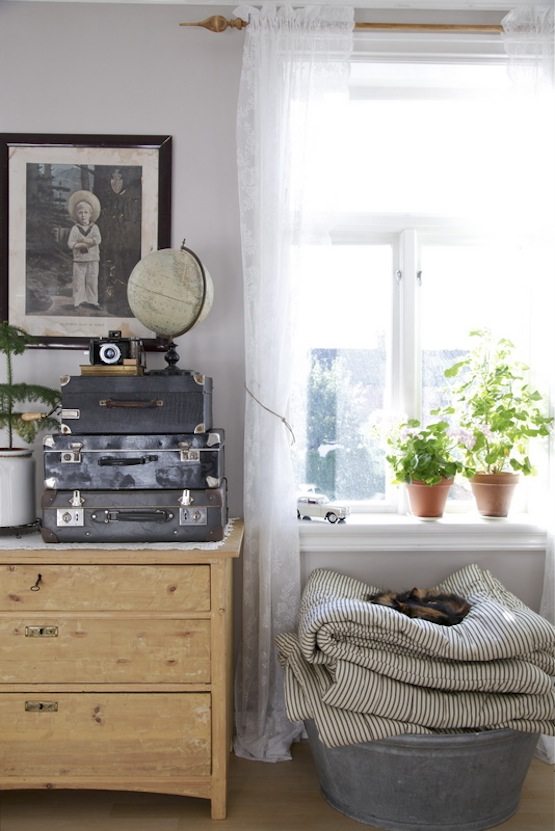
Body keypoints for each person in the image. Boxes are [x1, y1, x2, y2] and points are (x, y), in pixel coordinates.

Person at [67, 189, 102, 310]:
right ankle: (78, 301)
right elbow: (70, 243)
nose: (83, 215)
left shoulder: (94, 228)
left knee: (92, 280)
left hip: (93, 259)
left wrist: (87, 241)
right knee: (78, 281)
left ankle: (93, 301)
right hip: (79, 260)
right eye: (80, 212)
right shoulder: (75, 229)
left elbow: (97, 240)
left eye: (86, 212)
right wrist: (79, 245)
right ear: (76, 214)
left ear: (90, 214)